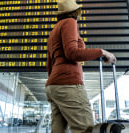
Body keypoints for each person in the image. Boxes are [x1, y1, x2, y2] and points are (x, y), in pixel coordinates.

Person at [45, 0, 116, 132]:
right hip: (68, 84)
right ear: (76, 11)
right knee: (85, 130)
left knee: (58, 131)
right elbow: (72, 53)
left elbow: (50, 64)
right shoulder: (69, 22)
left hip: (54, 86)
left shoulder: (54, 30)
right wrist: (102, 52)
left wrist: (56, 83)